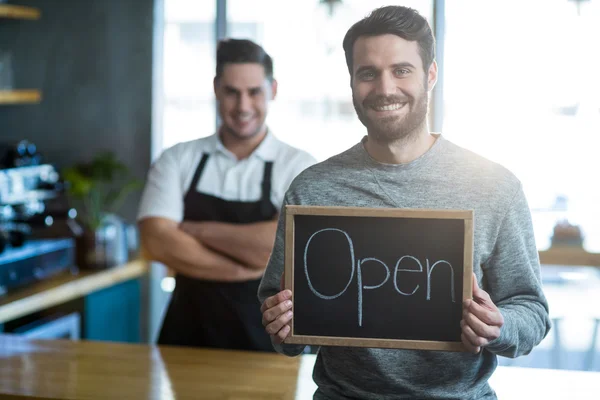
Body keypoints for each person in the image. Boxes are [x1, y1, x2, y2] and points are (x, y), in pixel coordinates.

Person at [259, 6, 550, 399]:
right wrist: (283, 327)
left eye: (401, 70)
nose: (384, 88)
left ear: (430, 75)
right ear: (352, 84)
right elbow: (286, 324)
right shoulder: (312, 190)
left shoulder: (494, 187)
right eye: (368, 73)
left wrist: (499, 326)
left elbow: (530, 309)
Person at [138, 38, 316, 351]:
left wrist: (193, 229)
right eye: (232, 92)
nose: (243, 106)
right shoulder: (177, 159)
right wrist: (245, 268)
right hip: (185, 341)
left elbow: (278, 249)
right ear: (216, 89)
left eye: (254, 92)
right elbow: (156, 241)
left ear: (272, 90)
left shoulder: (299, 167)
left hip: (268, 346)